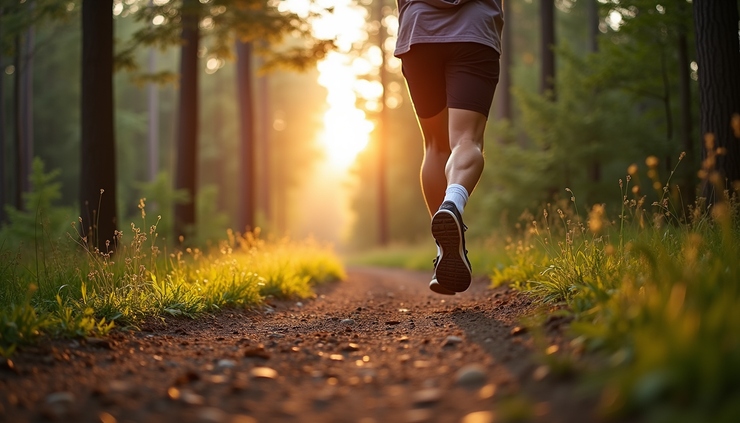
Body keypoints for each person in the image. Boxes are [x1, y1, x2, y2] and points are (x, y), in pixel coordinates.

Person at [393, 0, 504, 295]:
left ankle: (444, 251)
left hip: (420, 31)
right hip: (474, 28)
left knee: (435, 144)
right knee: (466, 140)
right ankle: (452, 202)